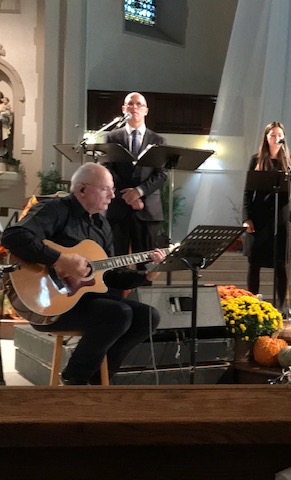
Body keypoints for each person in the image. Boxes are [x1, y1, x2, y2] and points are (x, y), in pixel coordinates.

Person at [1, 162, 166, 385]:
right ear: (81, 189)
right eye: (106, 189)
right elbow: (13, 236)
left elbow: (110, 276)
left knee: (148, 316)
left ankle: (97, 382)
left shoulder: (102, 225)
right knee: (119, 313)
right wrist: (60, 259)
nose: (113, 195)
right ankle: (75, 379)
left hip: (86, 302)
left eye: (113, 190)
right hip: (50, 305)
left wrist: (145, 276)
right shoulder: (55, 209)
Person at [242, 121, 291, 311]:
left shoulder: (290, 161)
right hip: (259, 217)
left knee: (281, 265)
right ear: (266, 137)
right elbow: (248, 192)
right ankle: (251, 305)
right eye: (272, 135)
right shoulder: (256, 160)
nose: (276, 138)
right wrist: (246, 218)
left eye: (279, 135)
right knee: (254, 263)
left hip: (281, 219)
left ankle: (281, 308)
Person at [104, 92, 167, 258]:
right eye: (130, 104)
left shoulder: (158, 140)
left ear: (146, 110)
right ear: (123, 109)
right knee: (116, 261)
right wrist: (128, 196)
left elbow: (161, 175)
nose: (134, 107)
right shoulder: (112, 137)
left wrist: (139, 192)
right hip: (119, 207)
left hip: (148, 210)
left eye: (139, 104)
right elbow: (108, 170)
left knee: (146, 262)